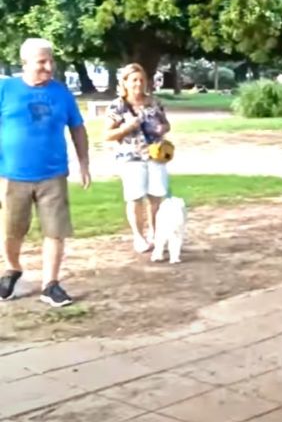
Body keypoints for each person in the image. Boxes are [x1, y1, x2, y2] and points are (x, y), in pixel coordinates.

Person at [0, 38, 91, 307]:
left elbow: (77, 128)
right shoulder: (6, 89)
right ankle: (11, 269)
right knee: (11, 231)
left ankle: (50, 284)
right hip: (12, 175)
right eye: (42, 62)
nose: (48, 67)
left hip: (53, 175)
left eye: (51, 61)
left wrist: (84, 162)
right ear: (25, 62)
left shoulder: (62, 93)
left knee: (55, 231)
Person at [104, 63, 171, 253]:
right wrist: (127, 127)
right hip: (131, 156)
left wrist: (162, 128)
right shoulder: (117, 106)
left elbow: (166, 124)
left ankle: (156, 234)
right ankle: (139, 237)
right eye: (134, 80)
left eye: (142, 80)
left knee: (156, 197)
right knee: (135, 198)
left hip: (156, 155)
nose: (138, 84)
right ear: (124, 82)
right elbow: (107, 135)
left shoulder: (154, 102)